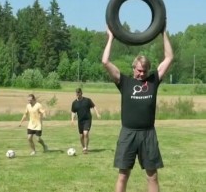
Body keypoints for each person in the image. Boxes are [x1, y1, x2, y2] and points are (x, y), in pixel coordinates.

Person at [102, 27, 173, 192]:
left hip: (148, 134)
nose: (141, 74)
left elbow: (169, 57)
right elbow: (105, 62)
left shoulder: (154, 81)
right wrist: (111, 37)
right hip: (128, 133)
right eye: (139, 70)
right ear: (133, 68)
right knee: (123, 175)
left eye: (144, 71)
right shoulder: (124, 82)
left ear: (148, 70)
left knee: (152, 176)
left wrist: (163, 33)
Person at [71, 88, 101, 154]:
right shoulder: (74, 103)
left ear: (81, 93)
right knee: (81, 136)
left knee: (86, 133)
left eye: (79, 93)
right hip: (80, 121)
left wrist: (97, 113)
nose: (78, 95)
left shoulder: (87, 100)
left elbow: (94, 106)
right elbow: (73, 111)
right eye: (77, 94)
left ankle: (86, 148)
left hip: (87, 120)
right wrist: (72, 120)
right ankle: (83, 147)